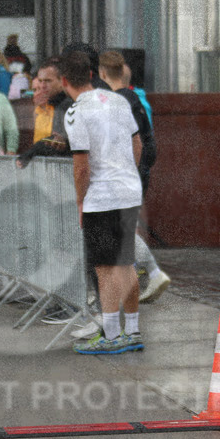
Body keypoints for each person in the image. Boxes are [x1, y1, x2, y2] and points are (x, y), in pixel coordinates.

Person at [60, 51, 144, 354]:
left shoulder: (75, 111)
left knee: (105, 267)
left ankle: (110, 334)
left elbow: (81, 165)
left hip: (101, 195)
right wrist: (128, 174)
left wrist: (81, 201)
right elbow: (138, 144)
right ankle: (132, 329)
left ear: (64, 80)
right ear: (93, 74)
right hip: (128, 190)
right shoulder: (120, 101)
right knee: (125, 261)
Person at [98, 50, 170, 304]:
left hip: (127, 174)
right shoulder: (135, 98)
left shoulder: (118, 102)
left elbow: (131, 142)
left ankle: (151, 273)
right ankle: (146, 274)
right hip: (137, 172)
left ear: (103, 73)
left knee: (121, 229)